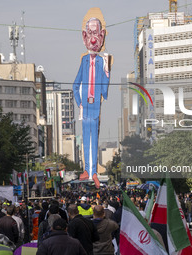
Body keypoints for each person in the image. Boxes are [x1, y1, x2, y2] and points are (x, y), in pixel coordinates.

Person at [73, 9, 110, 189]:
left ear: (102, 36)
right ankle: (87, 170)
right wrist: (79, 103)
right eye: (90, 33)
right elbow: (75, 84)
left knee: (93, 140)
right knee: (85, 139)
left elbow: (104, 89)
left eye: (96, 33)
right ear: (84, 36)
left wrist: (107, 73)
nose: (93, 38)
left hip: (95, 106)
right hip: (84, 107)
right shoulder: (84, 60)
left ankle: (94, 171)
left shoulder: (103, 62)